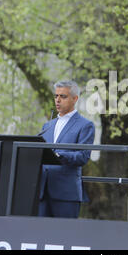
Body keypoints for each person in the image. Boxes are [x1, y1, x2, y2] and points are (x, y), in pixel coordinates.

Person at [38, 80, 95, 218]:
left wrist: (58, 155)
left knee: (63, 237)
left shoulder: (85, 125)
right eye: (56, 96)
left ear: (75, 98)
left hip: (66, 193)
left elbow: (82, 156)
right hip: (42, 192)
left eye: (63, 96)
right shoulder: (47, 125)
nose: (58, 100)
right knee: (39, 235)